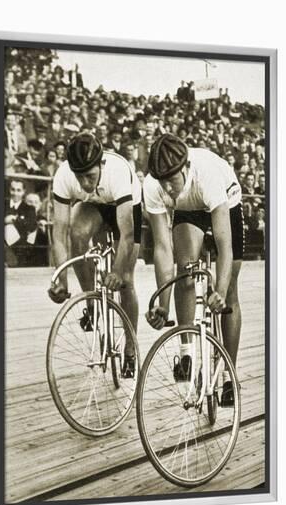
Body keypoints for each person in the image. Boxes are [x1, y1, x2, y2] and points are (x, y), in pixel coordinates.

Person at [143, 134, 244, 406]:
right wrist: (162, 306)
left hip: (225, 200)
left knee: (229, 296)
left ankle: (227, 374)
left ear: (185, 167)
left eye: (171, 180)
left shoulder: (207, 175)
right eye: (161, 181)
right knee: (185, 268)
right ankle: (187, 351)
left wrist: (220, 292)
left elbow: (225, 248)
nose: (167, 187)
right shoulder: (153, 185)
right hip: (189, 208)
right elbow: (163, 249)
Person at [48, 132, 142, 378]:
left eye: (89, 176)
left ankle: (130, 348)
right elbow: (59, 232)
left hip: (125, 207)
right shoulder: (63, 176)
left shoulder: (118, 172)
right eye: (79, 177)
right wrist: (61, 279)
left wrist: (118, 271)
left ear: (101, 165)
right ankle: (91, 303)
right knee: (77, 234)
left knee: (126, 281)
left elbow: (127, 234)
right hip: (94, 205)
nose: (85, 183)